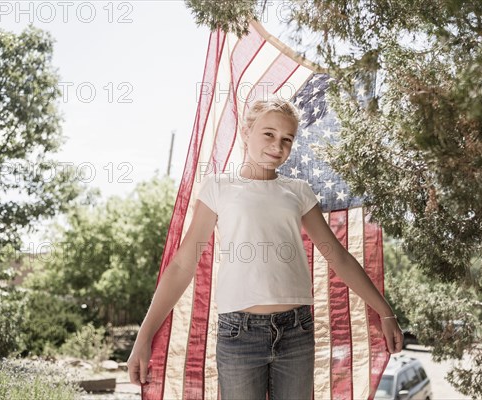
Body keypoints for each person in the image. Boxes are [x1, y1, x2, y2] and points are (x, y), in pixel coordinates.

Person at [127, 97, 403, 399]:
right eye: (268, 134)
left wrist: (385, 312)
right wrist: (144, 335)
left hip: (297, 331)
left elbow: (337, 256)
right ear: (246, 132)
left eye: (287, 139)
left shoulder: (298, 191)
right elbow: (183, 265)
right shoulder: (218, 187)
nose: (277, 145)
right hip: (239, 334)